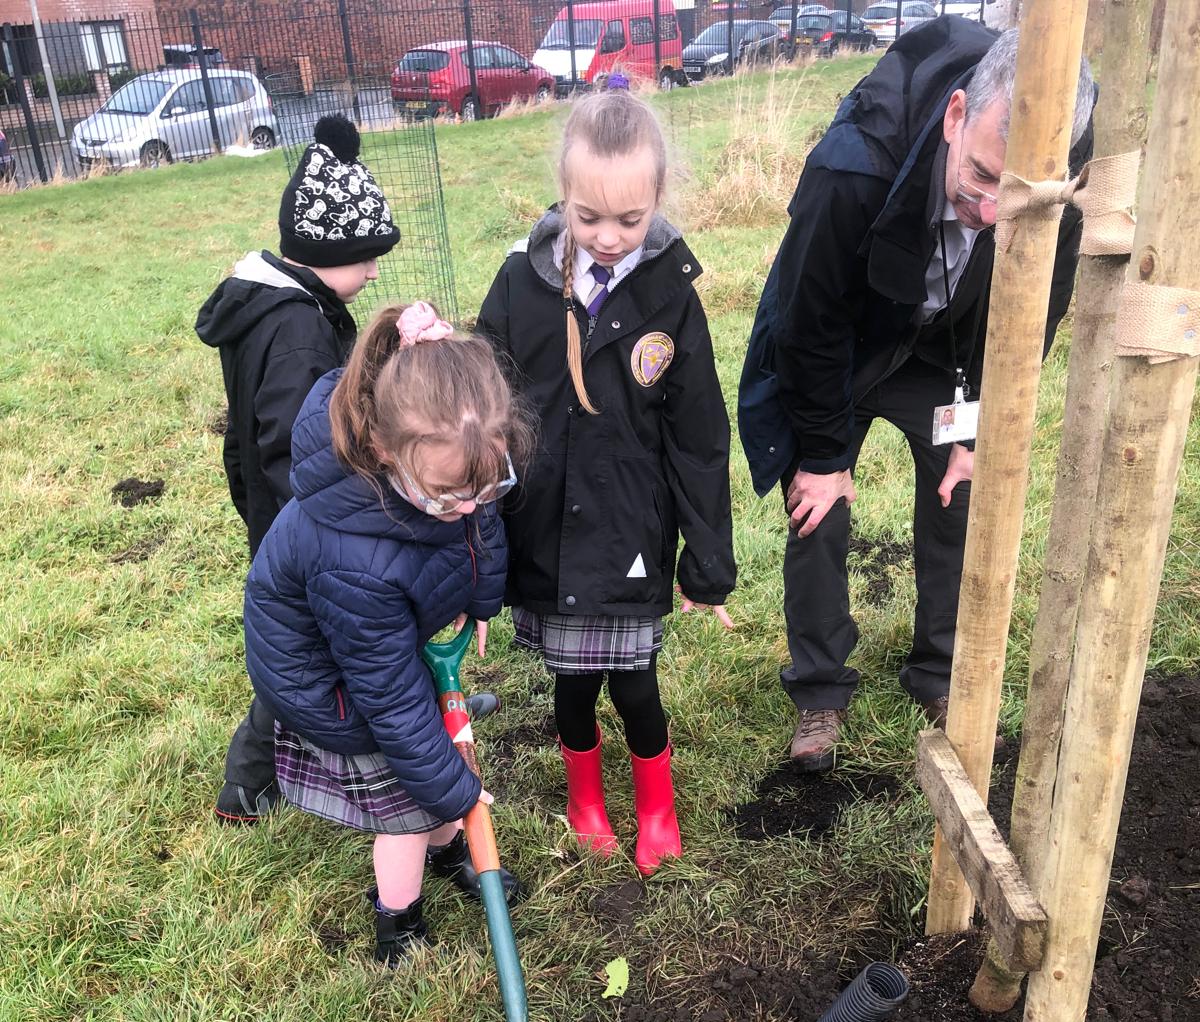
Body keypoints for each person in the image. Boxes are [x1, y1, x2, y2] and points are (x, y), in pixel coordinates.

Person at [739, 21, 1095, 770]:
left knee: (962, 492)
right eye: (983, 180)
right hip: (848, 338)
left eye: (1017, 199)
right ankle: (820, 690)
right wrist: (828, 455)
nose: (995, 212)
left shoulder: (1062, 158)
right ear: (955, 116)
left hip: (946, 350)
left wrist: (979, 434)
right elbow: (809, 322)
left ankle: (941, 671)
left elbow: (1038, 308)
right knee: (816, 501)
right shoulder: (856, 165)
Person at [476, 90, 736, 875]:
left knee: (635, 685)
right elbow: (483, 413)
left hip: (629, 525)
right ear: (564, 192)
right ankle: (585, 798)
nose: (611, 236)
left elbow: (698, 436)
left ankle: (656, 802)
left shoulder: (670, 297)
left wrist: (708, 563)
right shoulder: (521, 285)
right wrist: (478, 557)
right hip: (548, 523)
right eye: (590, 218)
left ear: (657, 200)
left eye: (630, 219)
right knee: (574, 682)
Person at [242, 302, 531, 967]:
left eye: (484, 488)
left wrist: (482, 599)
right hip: (332, 683)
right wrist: (454, 793)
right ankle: (397, 926)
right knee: (407, 803)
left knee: (434, 773)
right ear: (380, 449)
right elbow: (393, 706)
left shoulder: (453, 471)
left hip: (384, 649)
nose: (467, 506)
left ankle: (450, 845)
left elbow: (476, 527)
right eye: (448, 494)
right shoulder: (350, 554)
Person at [197, 114, 399, 823]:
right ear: (326, 249)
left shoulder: (281, 308)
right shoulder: (299, 330)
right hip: (299, 523)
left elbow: (247, 434)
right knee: (302, 658)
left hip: (278, 515)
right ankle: (248, 783)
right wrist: (323, 530)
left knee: (308, 650)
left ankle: (410, 710)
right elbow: (292, 441)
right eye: (367, 255)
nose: (375, 270)